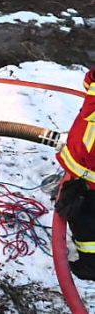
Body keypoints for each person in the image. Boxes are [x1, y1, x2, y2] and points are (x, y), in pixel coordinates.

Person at [55, 66, 95, 280]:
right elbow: (90, 84)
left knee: (86, 223)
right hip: (83, 167)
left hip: (90, 176)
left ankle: (90, 265)